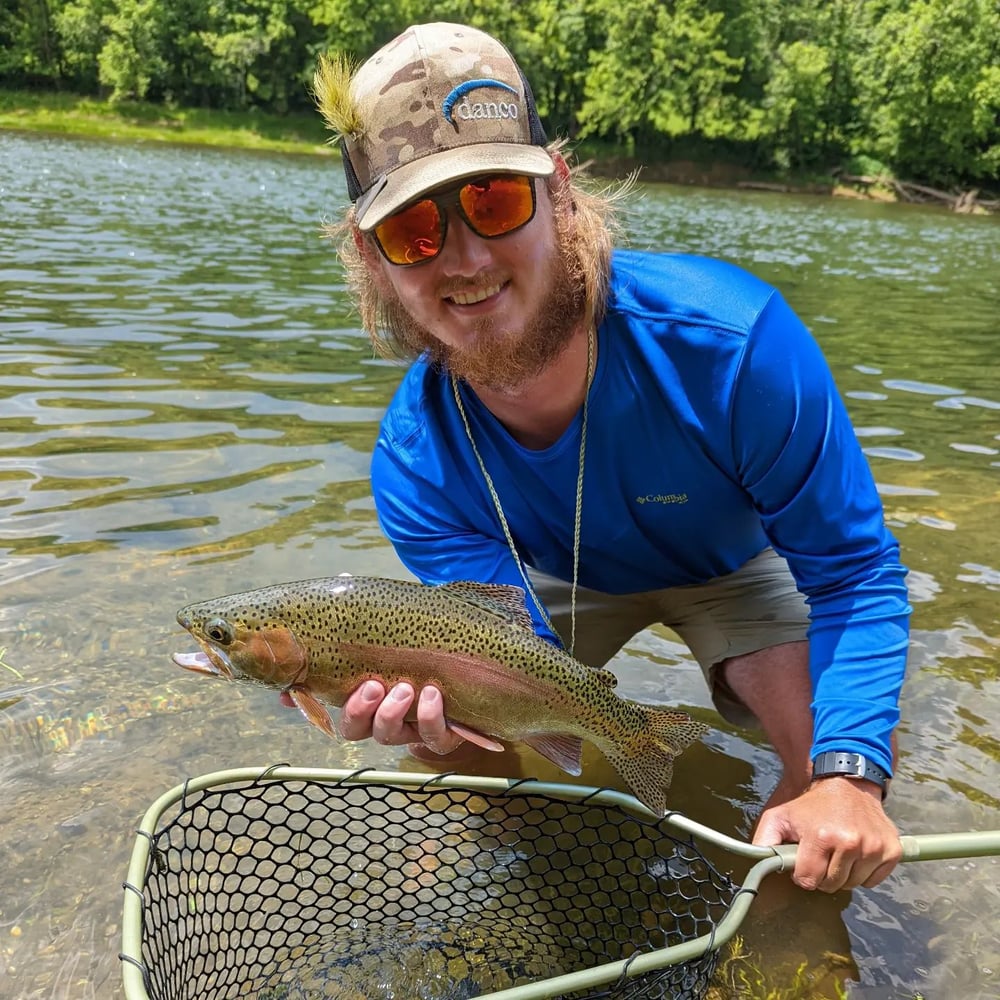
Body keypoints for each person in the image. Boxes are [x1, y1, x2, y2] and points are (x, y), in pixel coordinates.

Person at [313, 21, 910, 894]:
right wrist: (453, 728)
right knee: (470, 761)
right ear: (374, 260)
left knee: (823, 783)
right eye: (413, 232)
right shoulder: (415, 463)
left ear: (556, 192)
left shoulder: (735, 347)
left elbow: (855, 572)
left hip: (732, 567)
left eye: (492, 202)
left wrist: (851, 776)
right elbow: (499, 644)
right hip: (552, 587)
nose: (467, 260)